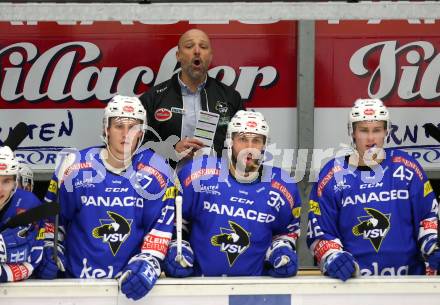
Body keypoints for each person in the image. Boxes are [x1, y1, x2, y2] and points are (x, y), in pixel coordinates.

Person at [36, 95, 175, 300]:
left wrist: (150, 261)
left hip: (129, 286)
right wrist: (49, 247)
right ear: (106, 129)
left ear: (142, 133)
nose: (126, 134)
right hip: (76, 286)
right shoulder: (74, 166)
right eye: (119, 126)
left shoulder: (158, 172)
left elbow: (159, 228)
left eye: (133, 127)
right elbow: (53, 221)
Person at [307, 98, 440, 280]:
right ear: (352, 132)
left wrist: (432, 244)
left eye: (377, 130)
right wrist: (333, 257)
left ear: (386, 131)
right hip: (354, 286)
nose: (371, 139)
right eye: (363, 130)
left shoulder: (407, 168)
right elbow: (321, 231)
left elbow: (428, 217)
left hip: (409, 284)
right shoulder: (332, 174)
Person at [163, 111, 301, 277]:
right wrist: (177, 247)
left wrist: (281, 250)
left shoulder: (283, 186)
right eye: (242, 139)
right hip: (197, 288)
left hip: (256, 291)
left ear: (265, 145)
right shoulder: (199, 173)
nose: (249, 148)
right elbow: (174, 223)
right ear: (230, 141)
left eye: (256, 140)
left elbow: (285, 232)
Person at [140, 28, 244, 165]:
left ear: (210, 56)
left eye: (203, 46)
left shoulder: (230, 97)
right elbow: (137, 144)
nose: (197, 51)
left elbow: (244, 143)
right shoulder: (152, 98)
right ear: (178, 55)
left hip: (217, 182)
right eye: (189, 46)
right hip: (167, 182)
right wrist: (170, 150)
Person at [0, 146, 43, 282]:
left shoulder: (28, 203)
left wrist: (4, 273)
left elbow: (34, 259)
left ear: (14, 183)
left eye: (6, 181)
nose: (0, 188)